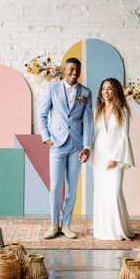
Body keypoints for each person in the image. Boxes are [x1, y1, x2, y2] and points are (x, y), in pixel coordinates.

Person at [38, 57, 92, 239]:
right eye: (71, 69)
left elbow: (87, 121)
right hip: (57, 144)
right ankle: (54, 224)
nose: (74, 73)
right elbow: (42, 114)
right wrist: (46, 138)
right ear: (64, 69)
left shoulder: (86, 92)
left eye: (77, 70)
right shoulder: (52, 88)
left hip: (76, 146)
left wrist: (86, 145)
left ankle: (67, 225)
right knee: (55, 187)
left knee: (72, 188)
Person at [91, 77, 135, 240]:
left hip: (115, 156)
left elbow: (125, 136)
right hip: (99, 156)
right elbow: (94, 135)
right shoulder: (97, 110)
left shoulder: (123, 110)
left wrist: (115, 158)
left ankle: (119, 229)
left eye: (109, 88)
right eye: (103, 88)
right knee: (101, 193)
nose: (106, 91)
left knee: (115, 191)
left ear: (115, 90)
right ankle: (103, 230)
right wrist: (88, 151)